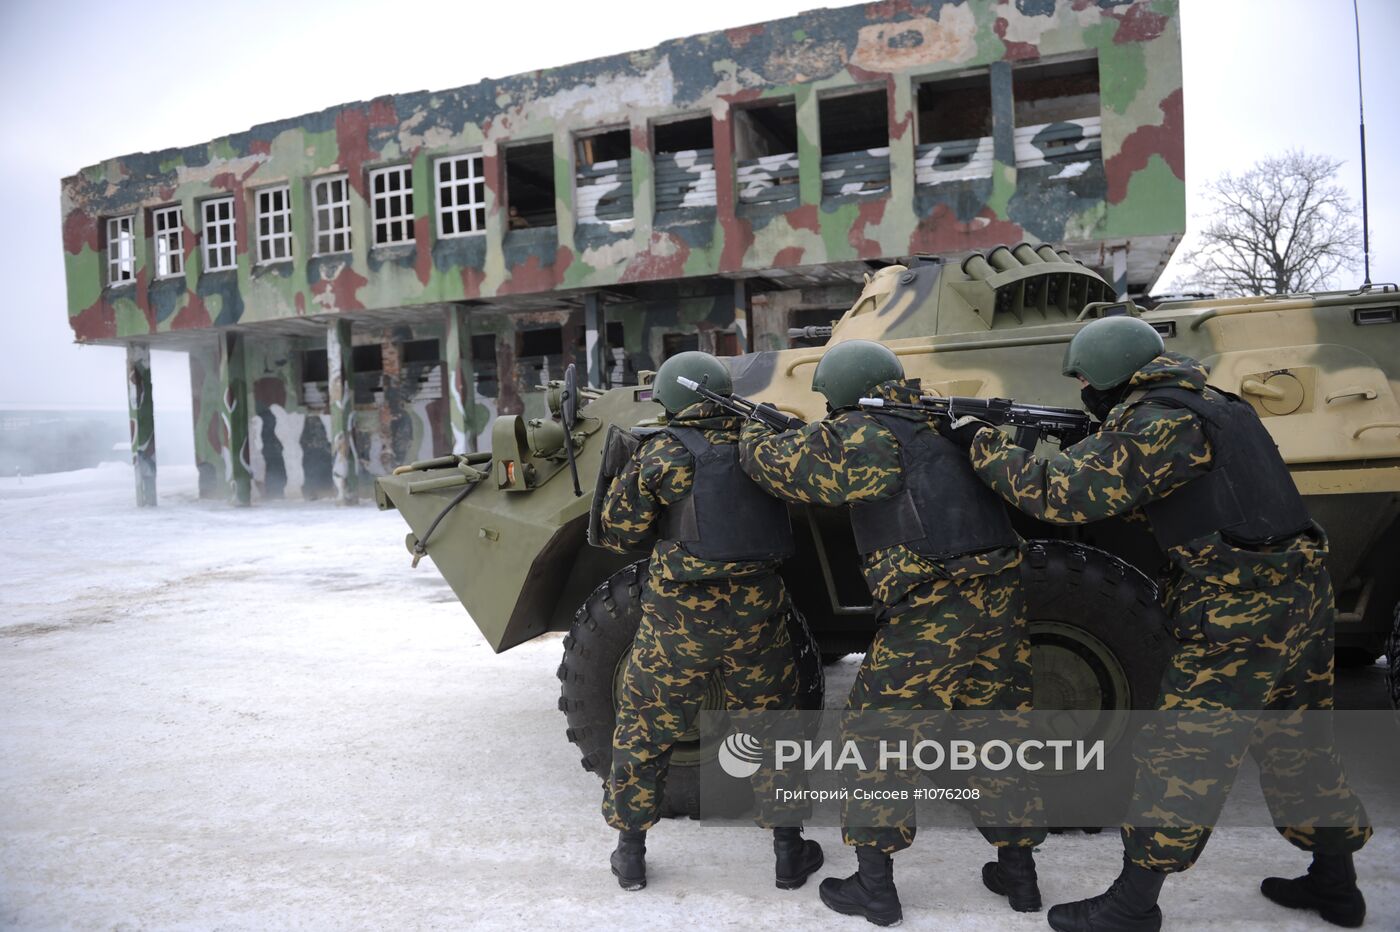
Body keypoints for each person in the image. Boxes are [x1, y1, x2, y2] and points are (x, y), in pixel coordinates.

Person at [955, 315, 1371, 931]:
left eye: (1088, 381)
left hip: (1238, 604)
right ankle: (1336, 884)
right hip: (1294, 590)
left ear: (1112, 375)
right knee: (1297, 738)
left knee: (1185, 754)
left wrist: (984, 444)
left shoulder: (1161, 419)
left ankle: (1133, 904)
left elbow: (1067, 495)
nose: (1085, 394)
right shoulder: (1215, 403)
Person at [739, 339, 1046, 927]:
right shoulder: (944, 424)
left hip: (934, 609)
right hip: (1000, 601)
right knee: (999, 734)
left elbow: (781, 471)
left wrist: (754, 433)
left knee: (877, 741)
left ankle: (874, 887)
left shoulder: (867, 434)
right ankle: (1020, 874)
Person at [594, 350, 823, 893]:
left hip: (678, 624)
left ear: (672, 399)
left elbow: (619, 532)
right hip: (757, 617)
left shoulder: (662, 454)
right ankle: (788, 852)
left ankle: (630, 854)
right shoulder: (762, 445)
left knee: (644, 731)